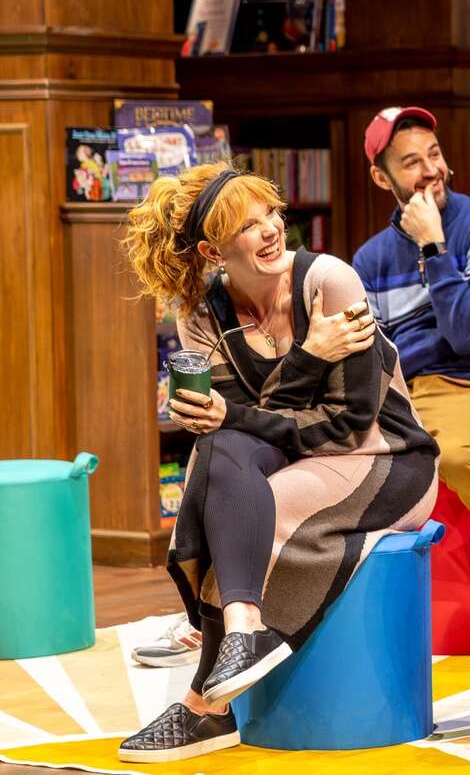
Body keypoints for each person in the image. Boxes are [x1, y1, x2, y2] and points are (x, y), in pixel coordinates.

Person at [117, 162, 439, 764]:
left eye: (272, 214)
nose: (270, 231)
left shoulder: (329, 282)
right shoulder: (201, 316)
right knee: (218, 455)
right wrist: (306, 362)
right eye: (248, 225)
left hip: (384, 457)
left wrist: (287, 377)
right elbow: (232, 430)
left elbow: (346, 423)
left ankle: (204, 706)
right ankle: (244, 630)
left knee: (245, 507)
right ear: (213, 251)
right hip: (297, 458)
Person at [351, 106, 470, 648]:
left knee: (455, 455)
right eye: (411, 162)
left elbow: (466, 332)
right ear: (382, 178)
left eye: (434, 154)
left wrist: (434, 246)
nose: (430, 170)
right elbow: (376, 360)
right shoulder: (369, 261)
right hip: (406, 394)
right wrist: (445, 338)